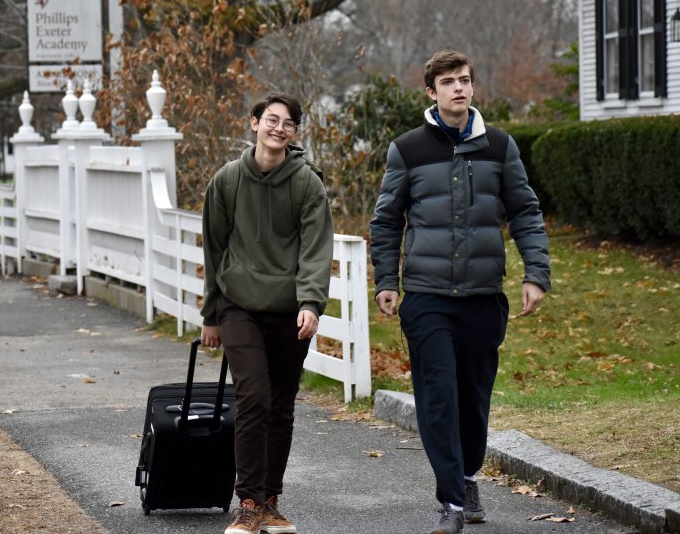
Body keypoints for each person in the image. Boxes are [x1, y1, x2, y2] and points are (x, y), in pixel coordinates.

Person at [370, 50, 550, 534]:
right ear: (431, 91)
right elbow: (386, 220)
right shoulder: (407, 149)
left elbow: (526, 213)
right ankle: (450, 501)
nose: (458, 88)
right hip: (427, 297)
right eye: (448, 81)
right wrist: (386, 280)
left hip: (483, 296)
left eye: (465, 80)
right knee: (438, 398)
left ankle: (468, 476)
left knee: (473, 398)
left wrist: (536, 273)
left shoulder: (500, 146)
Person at [201, 92, 334, 534]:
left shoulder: (306, 183)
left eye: (288, 124)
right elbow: (215, 248)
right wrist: (211, 315)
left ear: (294, 133)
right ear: (254, 123)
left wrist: (312, 304)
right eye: (271, 120)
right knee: (253, 396)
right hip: (238, 305)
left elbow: (317, 251)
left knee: (280, 406)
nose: (279, 128)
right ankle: (249, 502)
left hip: (289, 310)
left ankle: (271, 502)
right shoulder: (226, 181)